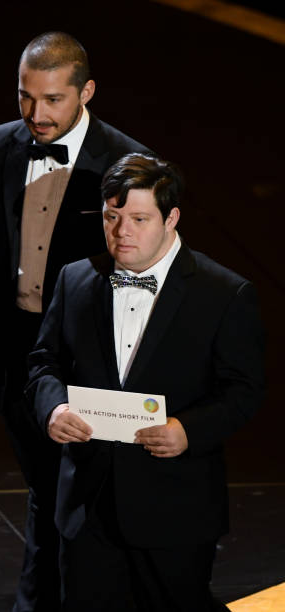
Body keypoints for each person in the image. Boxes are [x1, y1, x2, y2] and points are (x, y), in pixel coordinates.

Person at [0, 32, 152, 612]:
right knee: (47, 489)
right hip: (16, 355)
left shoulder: (128, 164)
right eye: (25, 97)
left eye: (52, 100)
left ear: (86, 92)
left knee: (73, 497)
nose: (36, 114)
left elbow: (148, 273)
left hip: (90, 363)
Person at [25, 153, 265, 612]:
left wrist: (188, 429)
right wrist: (53, 407)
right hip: (87, 506)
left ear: (171, 218)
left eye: (139, 219)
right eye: (111, 217)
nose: (121, 232)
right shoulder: (76, 279)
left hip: (175, 508)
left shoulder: (224, 292)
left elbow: (244, 389)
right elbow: (44, 362)